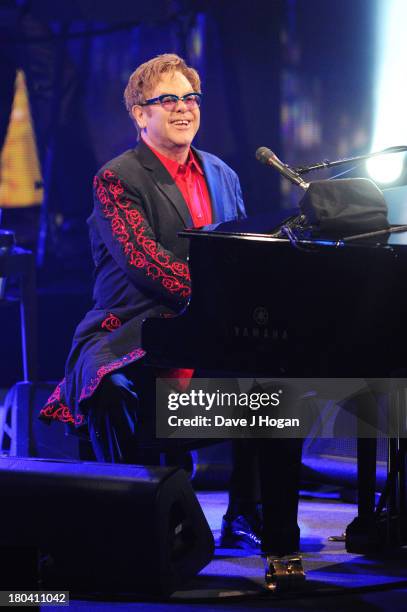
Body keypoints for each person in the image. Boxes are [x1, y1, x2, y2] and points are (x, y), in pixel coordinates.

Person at [40, 53, 304, 591]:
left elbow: (247, 254)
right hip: (128, 326)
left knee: (276, 385)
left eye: (190, 98)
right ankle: (138, 527)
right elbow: (145, 262)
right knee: (111, 388)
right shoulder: (116, 178)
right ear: (140, 115)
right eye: (168, 99)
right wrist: (218, 299)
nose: (183, 109)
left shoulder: (224, 174)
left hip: (214, 327)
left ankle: (267, 530)